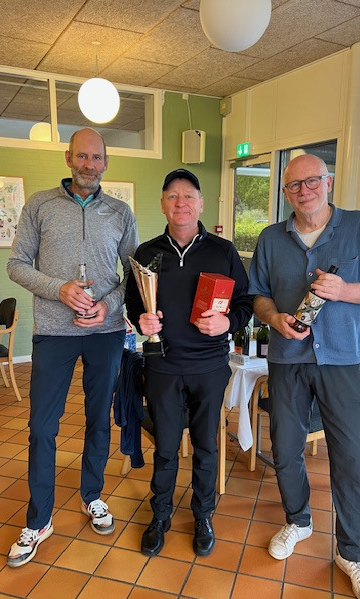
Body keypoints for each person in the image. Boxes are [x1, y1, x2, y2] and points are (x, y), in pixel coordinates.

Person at [249, 153, 360, 599]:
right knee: (285, 447)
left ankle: (351, 552)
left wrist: (346, 291)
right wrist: (274, 318)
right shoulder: (271, 238)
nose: (304, 191)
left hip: (343, 361)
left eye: (312, 181)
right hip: (288, 359)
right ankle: (298, 520)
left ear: (328, 182)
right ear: (285, 192)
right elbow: (258, 295)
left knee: (351, 457)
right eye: (294, 185)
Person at [6, 128, 139, 568]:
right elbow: (16, 265)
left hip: (105, 333)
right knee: (42, 427)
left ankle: (92, 495)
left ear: (106, 163)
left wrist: (108, 306)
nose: (89, 165)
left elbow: (134, 273)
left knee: (99, 419)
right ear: (68, 158)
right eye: (81, 156)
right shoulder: (40, 205)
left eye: (96, 158)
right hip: (54, 333)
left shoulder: (120, 212)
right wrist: (58, 289)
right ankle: (39, 519)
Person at [126, 168, 252, 558]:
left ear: (200, 204)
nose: (180, 202)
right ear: (163, 204)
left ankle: (203, 515)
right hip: (161, 364)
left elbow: (245, 303)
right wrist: (140, 320)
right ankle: (160, 515)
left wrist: (228, 323)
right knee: (165, 447)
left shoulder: (223, 251)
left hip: (209, 366)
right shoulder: (146, 254)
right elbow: (132, 303)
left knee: (205, 447)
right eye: (172, 196)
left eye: (188, 196)